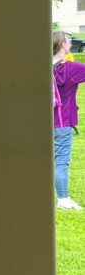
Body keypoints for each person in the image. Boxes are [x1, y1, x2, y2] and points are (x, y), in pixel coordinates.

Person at [53, 29, 85, 210]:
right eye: (69, 41)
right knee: (61, 161)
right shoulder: (69, 68)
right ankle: (63, 199)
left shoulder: (42, 67)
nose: (71, 43)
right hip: (62, 122)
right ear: (62, 45)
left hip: (43, 123)